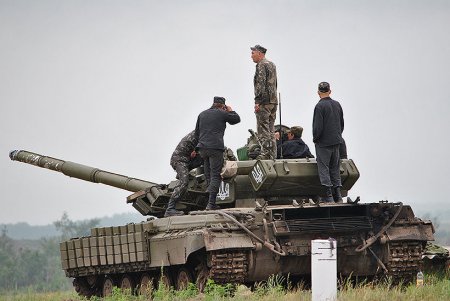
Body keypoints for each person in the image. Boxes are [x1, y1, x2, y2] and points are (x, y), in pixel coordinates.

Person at [195, 96, 241, 210]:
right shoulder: (222, 113)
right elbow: (236, 119)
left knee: (208, 176)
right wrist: (230, 111)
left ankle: (210, 201)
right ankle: (211, 204)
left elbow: (197, 133)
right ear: (222, 105)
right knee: (216, 176)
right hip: (215, 148)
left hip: (202, 149)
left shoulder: (202, 114)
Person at [312, 82, 344, 203]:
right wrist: (337, 136)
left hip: (323, 143)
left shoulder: (319, 107)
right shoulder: (337, 105)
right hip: (336, 141)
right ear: (330, 91)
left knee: (324, 168)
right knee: (335, 168)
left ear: (318, 92)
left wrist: (316, 139)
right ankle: (338, 195)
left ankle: (328, 195)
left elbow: (317, 127)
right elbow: (341, 123)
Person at [164, 130, 203, 217]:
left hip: (188, 160)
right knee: (184, 182)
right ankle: (170, 209)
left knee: (204, 158)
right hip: (179, 160)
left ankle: (183, 172)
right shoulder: (197, 134)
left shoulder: (203, 133)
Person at [251, 44, 278, 159]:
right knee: (271, 130)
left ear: (259, 53)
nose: (251, 56)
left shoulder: (261, 65)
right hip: (273, 101)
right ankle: (273, 154)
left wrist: (258, 102)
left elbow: (260, 84)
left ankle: (266, 154)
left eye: (253, 53)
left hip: (264, 102)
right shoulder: (271, 64)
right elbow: (275, 83)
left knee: (263, 130)